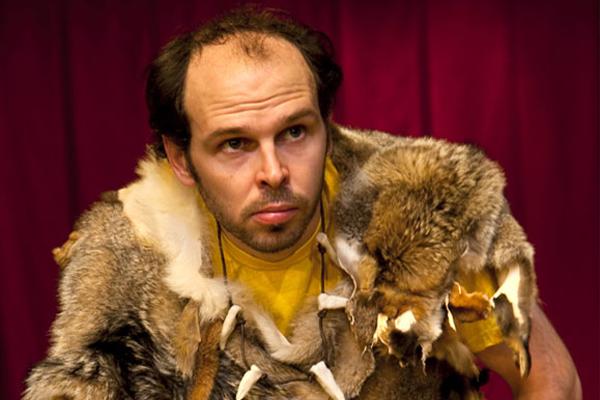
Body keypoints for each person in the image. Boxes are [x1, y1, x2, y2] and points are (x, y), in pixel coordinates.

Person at [25, 7, 580, 399]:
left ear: (325, 125)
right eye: (234, 144)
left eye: (294, 132)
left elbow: (550, 378)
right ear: (181, 158)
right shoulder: (128, 258)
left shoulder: (422, 212)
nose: (274, 172)